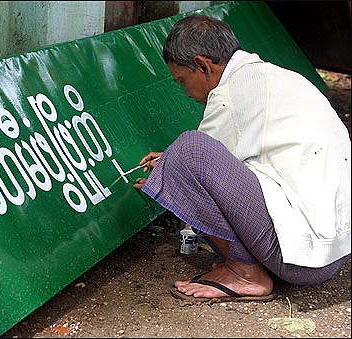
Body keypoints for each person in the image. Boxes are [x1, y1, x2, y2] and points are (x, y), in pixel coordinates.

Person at [133, 14, 351, 302]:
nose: (186, 93)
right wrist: (170, 162)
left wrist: (169, 166)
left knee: (188, 148)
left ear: (202, 65)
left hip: (301, 261)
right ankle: (250, 266)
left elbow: (198, 162)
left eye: (183, 81)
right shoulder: (267, 76)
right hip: (330, 253)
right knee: (185, 155)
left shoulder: (230, 93)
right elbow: (222, 164)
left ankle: (244, 274)